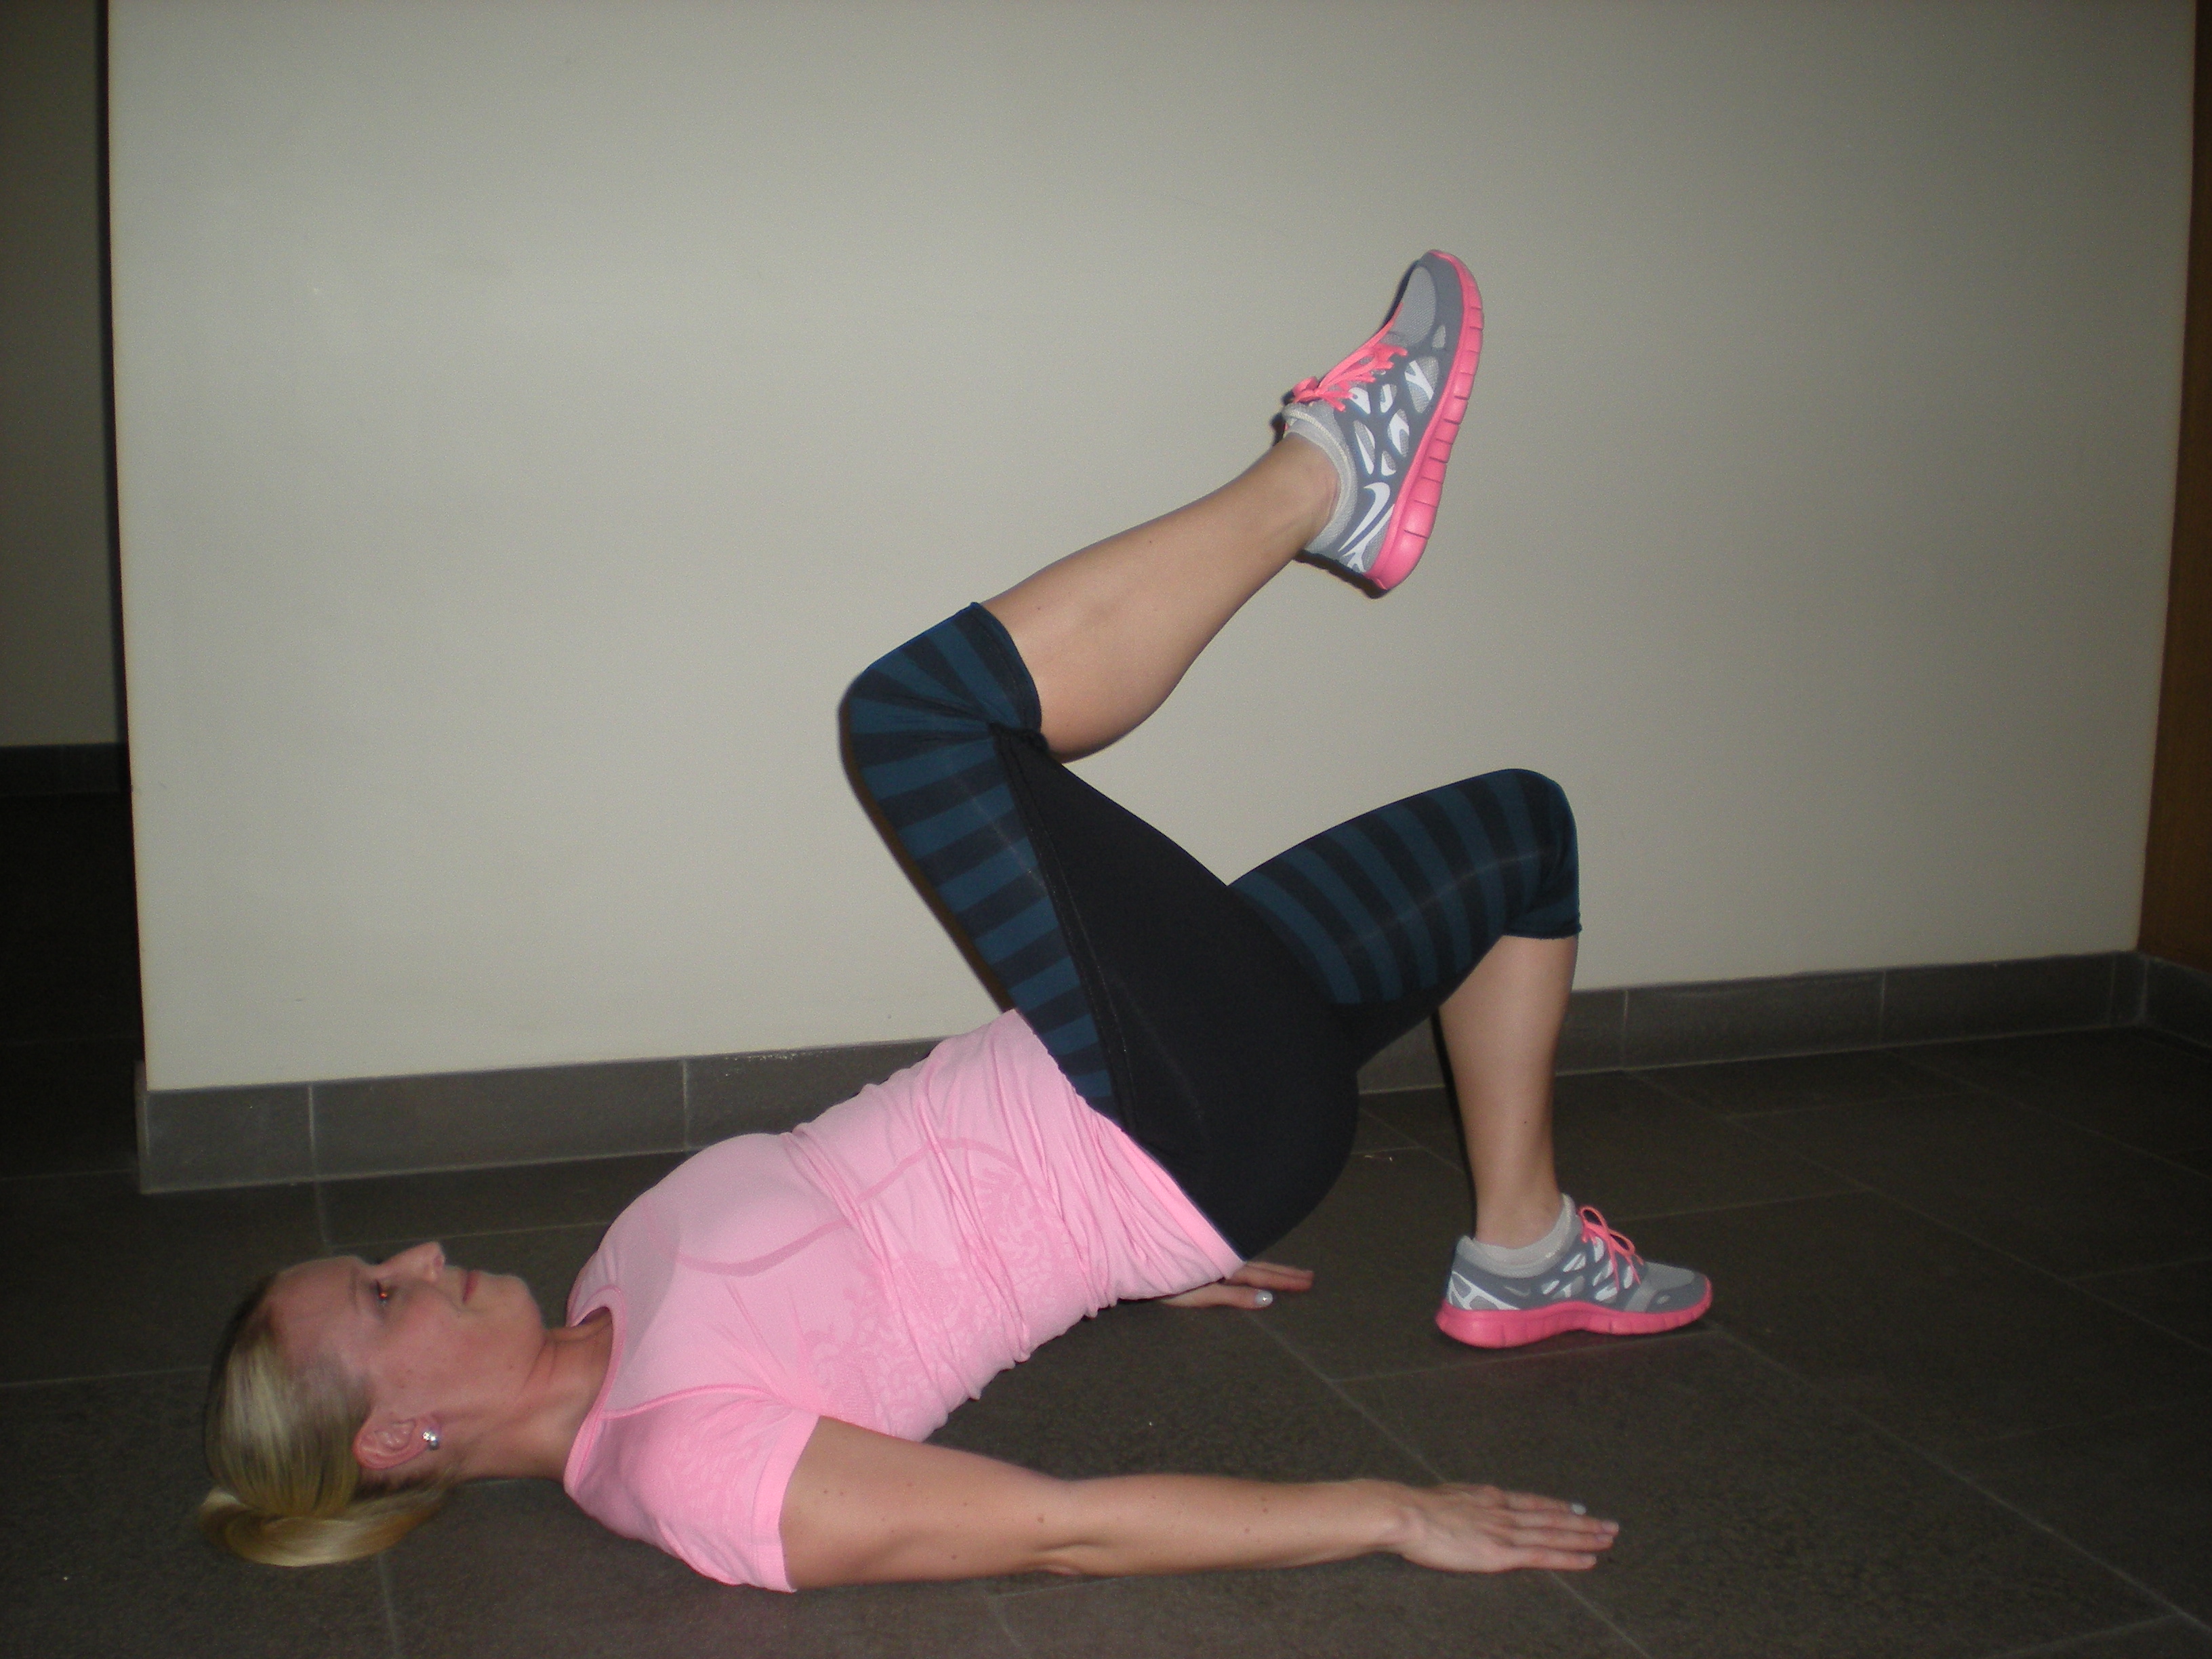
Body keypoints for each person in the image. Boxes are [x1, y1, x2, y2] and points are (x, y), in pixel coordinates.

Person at [199, 251, 1711, 1589]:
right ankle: (1327, 478)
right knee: (915, 722)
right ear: (397, 1435)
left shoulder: (614, 1275)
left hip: (1137, 1081)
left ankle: (1525, 1251)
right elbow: (1057, 1527)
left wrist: (1137, 1267)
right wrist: (1387, 1512)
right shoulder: (682, 1470)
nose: (423, 1250)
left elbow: (905, 1257)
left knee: (1523, 840)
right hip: (1178, 1121)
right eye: (384, 1293)